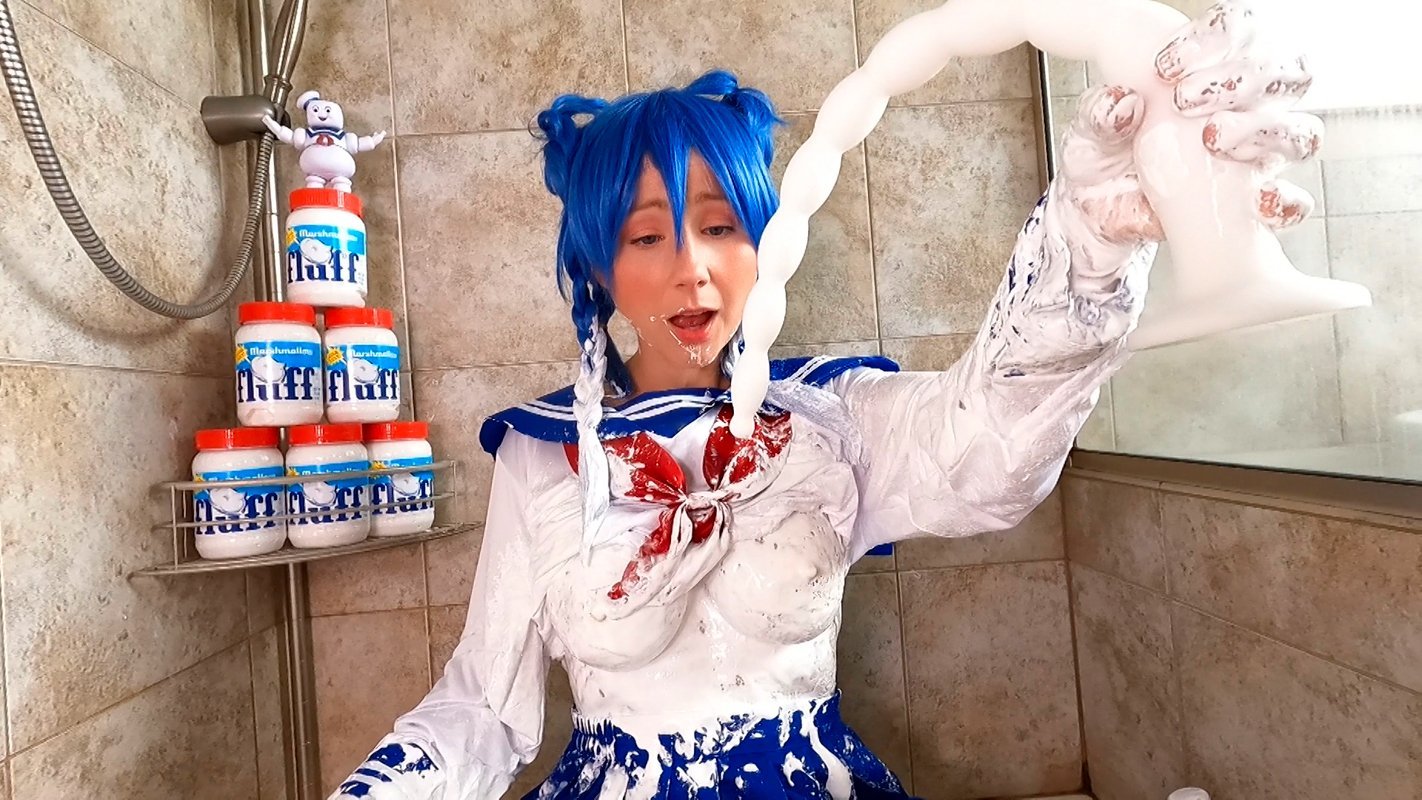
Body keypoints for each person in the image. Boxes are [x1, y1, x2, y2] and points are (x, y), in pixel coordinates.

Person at [331, 4, 1320, 797]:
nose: (692, 271)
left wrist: (1093, 240)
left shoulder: (829, 414)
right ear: (597, 263)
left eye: (722, 226)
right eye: (646, 237)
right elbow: (482, 703)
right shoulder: (543, 452)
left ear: (764, 237)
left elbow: (986, 458)